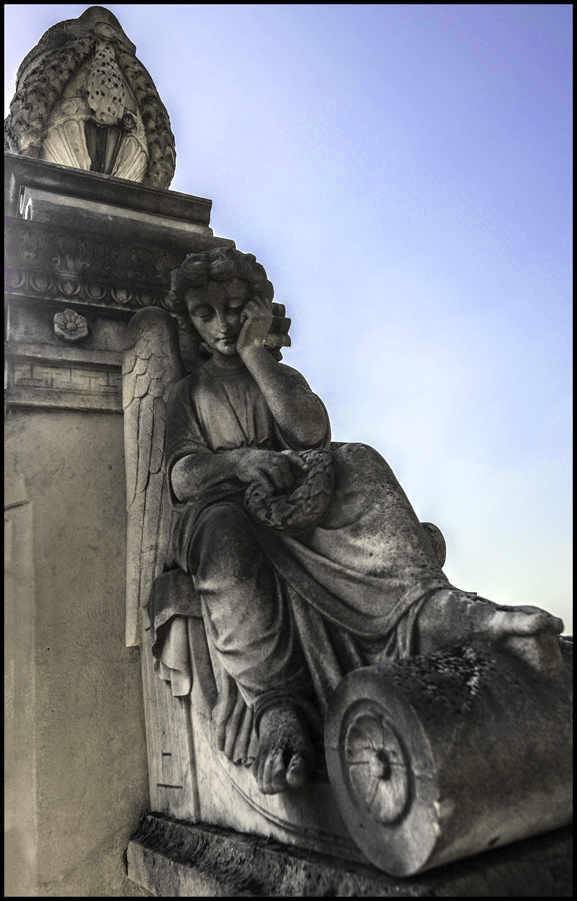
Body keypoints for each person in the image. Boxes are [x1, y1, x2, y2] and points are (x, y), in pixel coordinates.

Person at [163, 248, 563, 796]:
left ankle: (436, 610)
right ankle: (279, 707)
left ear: (256, 308)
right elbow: (181, 475)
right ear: (189, 322)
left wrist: (257, 356)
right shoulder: (188, 394)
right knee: (222, 535)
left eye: (234, 308)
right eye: (205, 314)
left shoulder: (277, 374)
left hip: (297, 495)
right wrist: (237, 463)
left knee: (359, 459)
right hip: (230, 508)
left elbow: (310, 434)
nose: (223, 325)